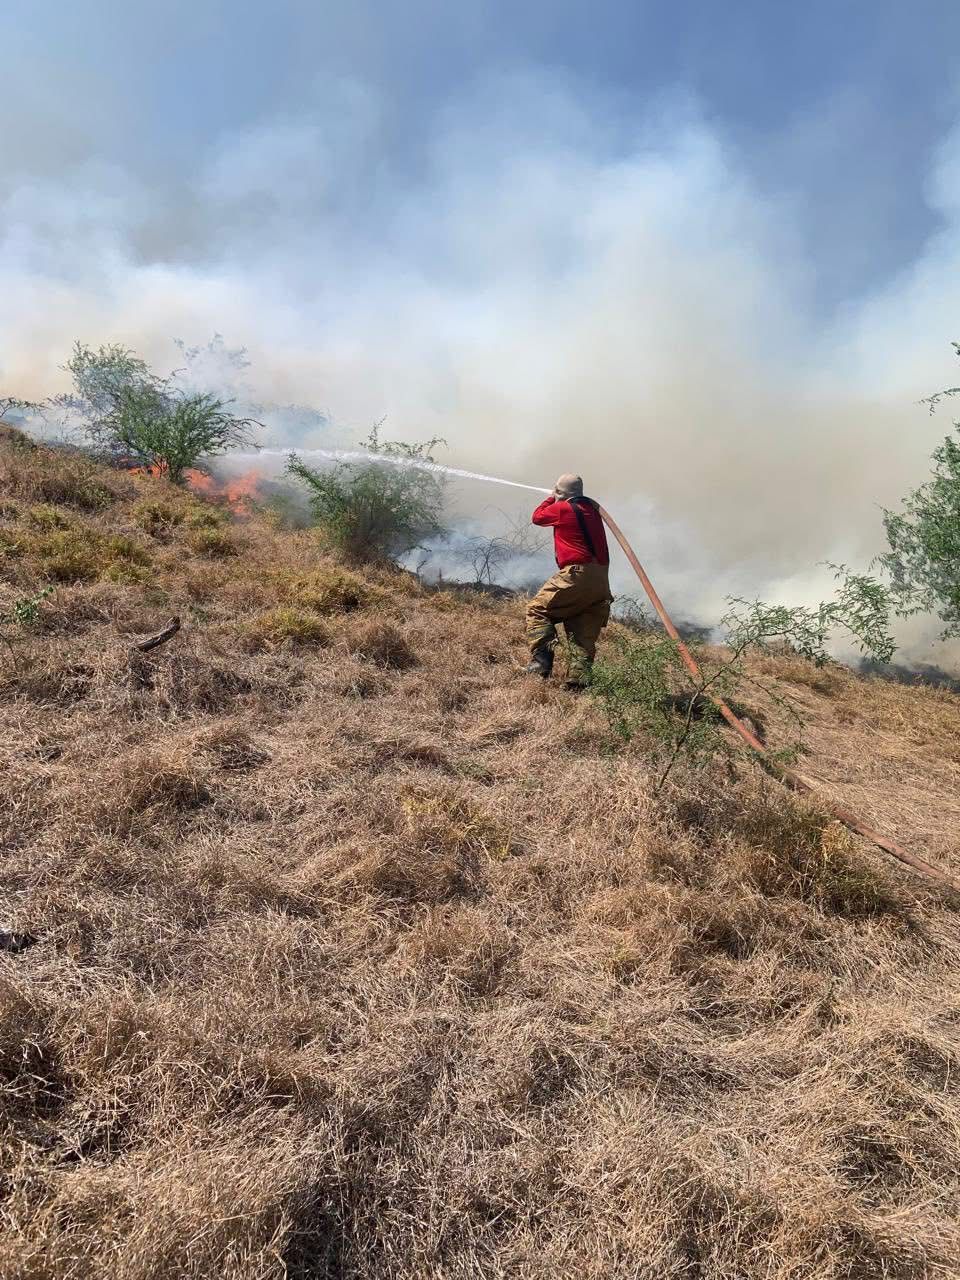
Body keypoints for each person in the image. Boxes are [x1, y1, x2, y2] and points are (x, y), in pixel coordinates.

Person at [526, 473, 613, 686]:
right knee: (583, 630)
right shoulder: (592, 510)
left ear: (559, 492)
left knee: (538, 610)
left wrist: (551, 498)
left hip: (577, 574)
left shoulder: (562, 508)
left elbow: (537, 517)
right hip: (600, 579)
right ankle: (578, 682)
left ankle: (541, 664)